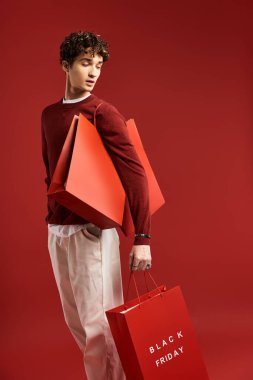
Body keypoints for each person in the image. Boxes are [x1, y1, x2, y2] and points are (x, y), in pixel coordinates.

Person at [41, 30, 152, 379]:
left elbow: (136, 175)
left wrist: (143, 238)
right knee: (77, 322)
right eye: (85, 63)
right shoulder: (48, 115)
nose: (93, 72)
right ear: (65, 65)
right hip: (59, 231)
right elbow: (52, 174)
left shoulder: (102, 112)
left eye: (98, 65)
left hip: (93, 231)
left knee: (100, 328)